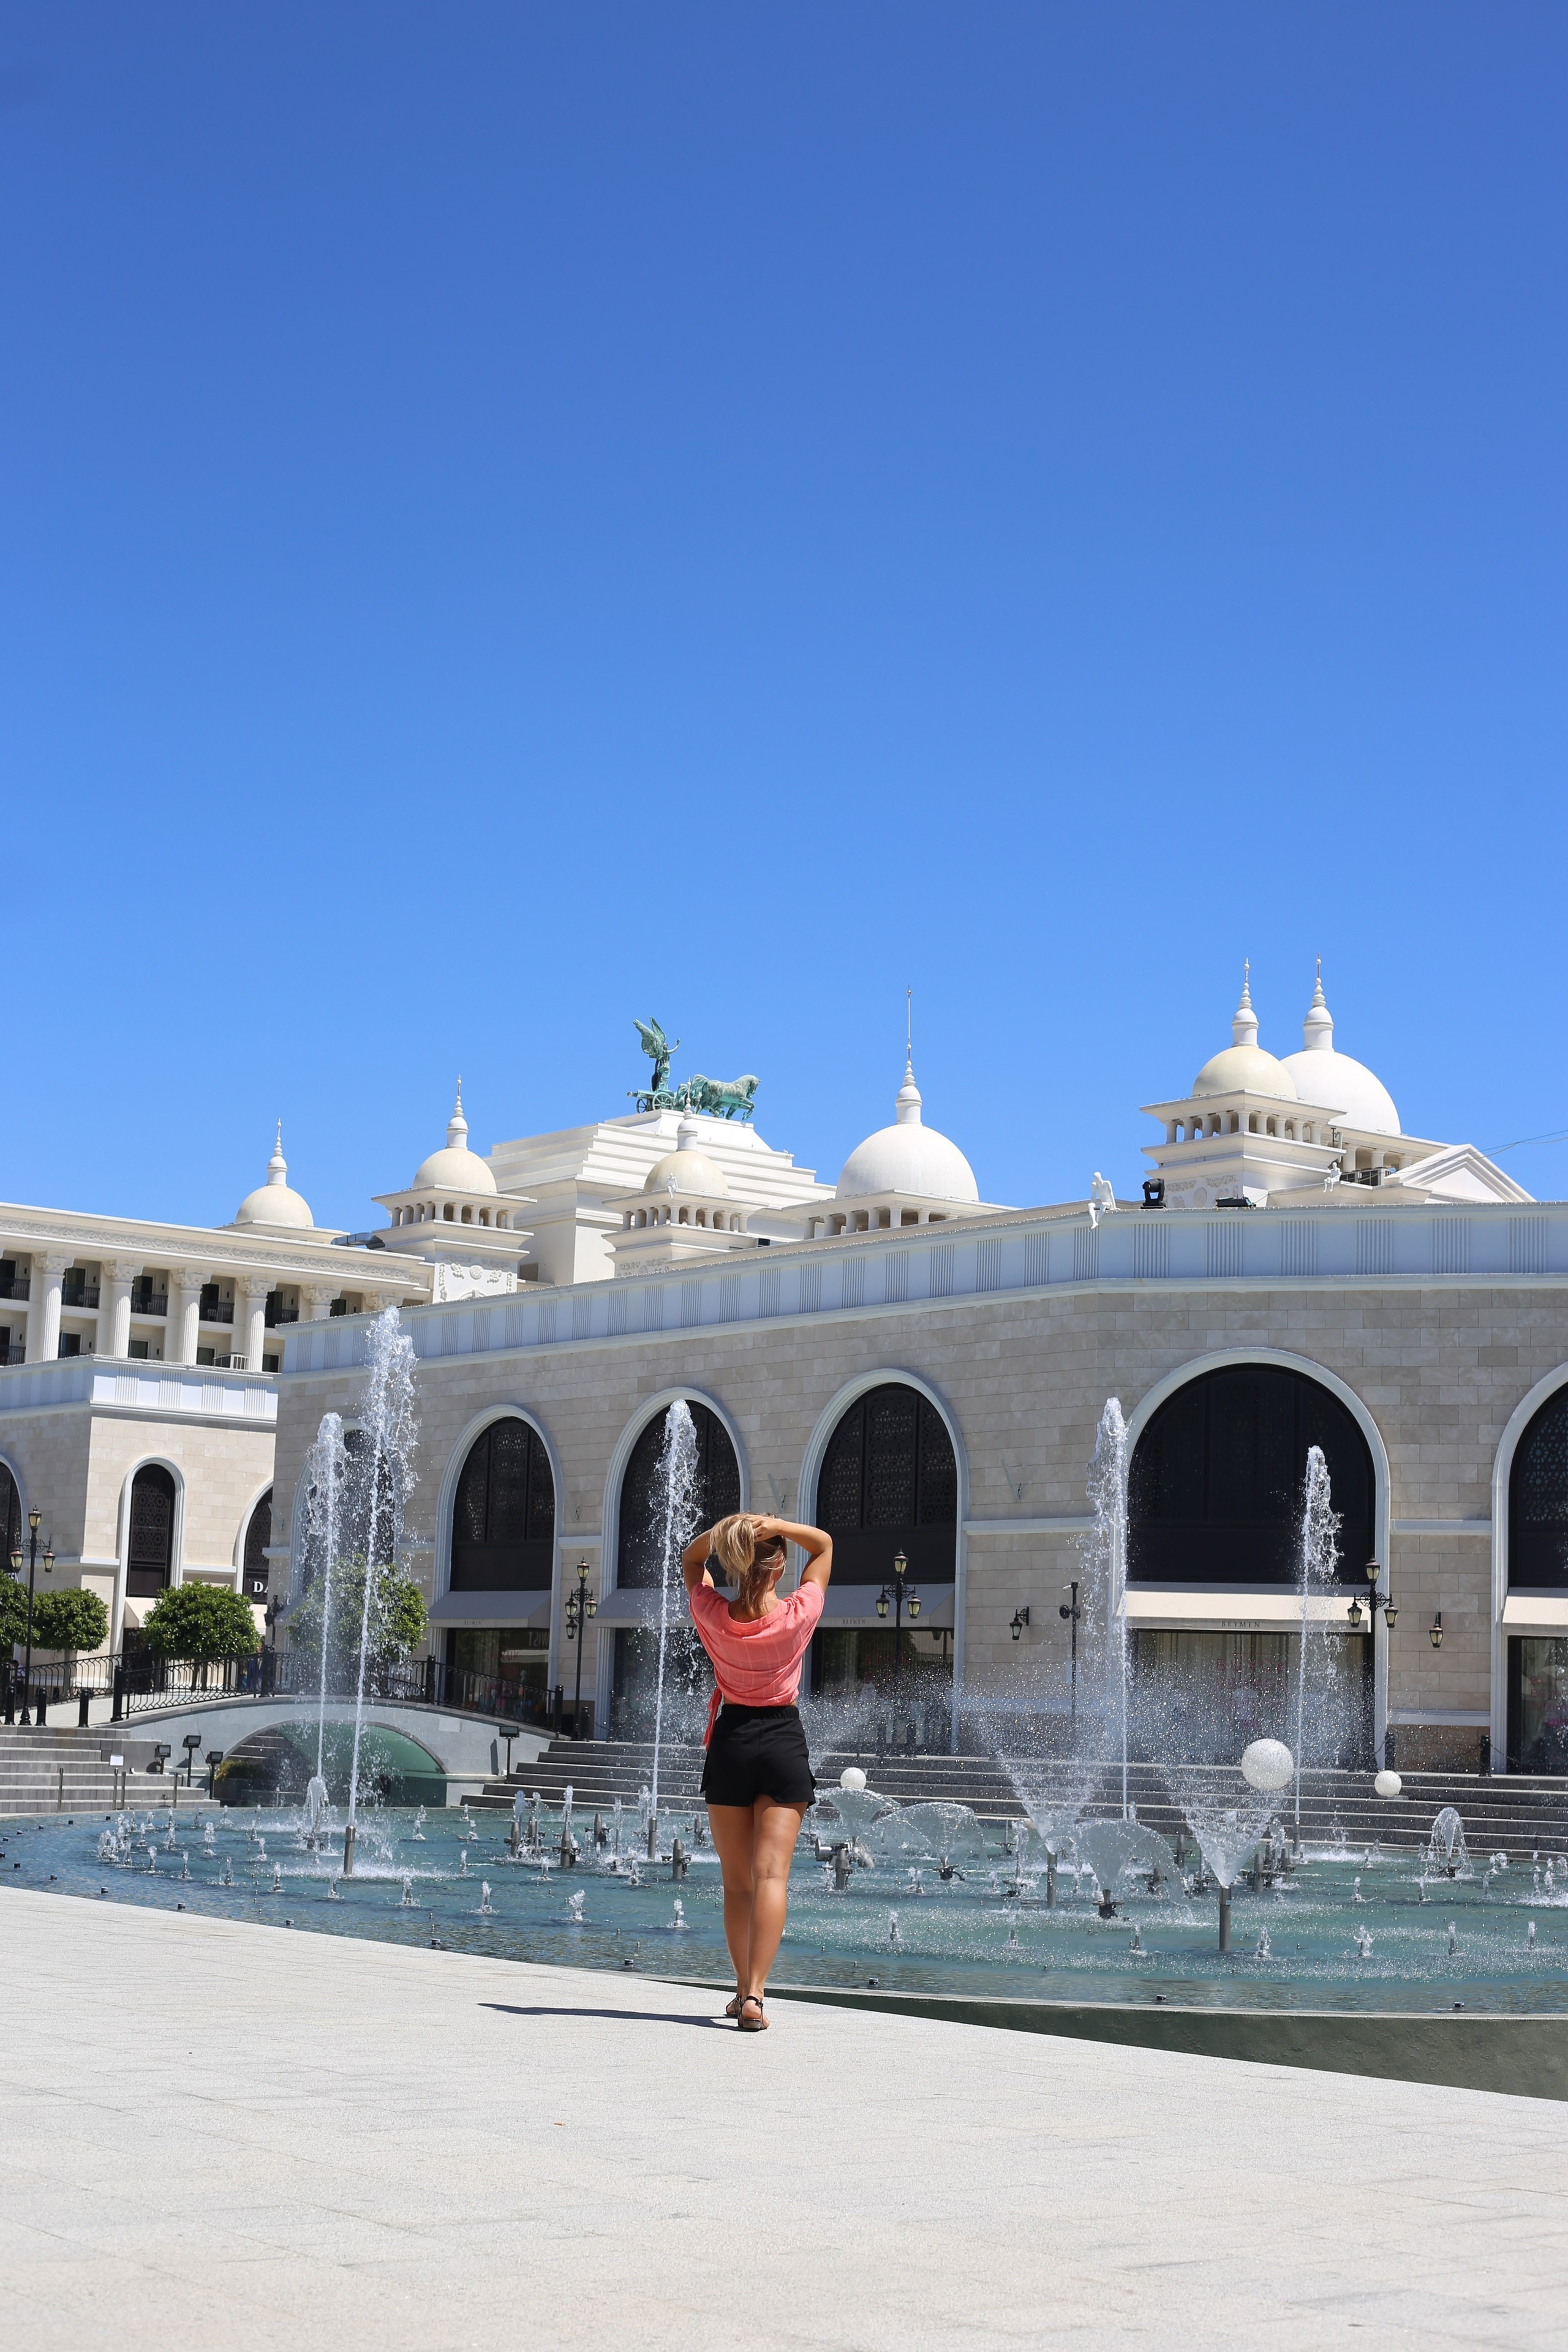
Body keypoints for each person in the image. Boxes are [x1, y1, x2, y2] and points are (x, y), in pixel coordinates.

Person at [682, 1510, 832, 2032]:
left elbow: (692, 1559)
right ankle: (755, 1998)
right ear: (777, 1570)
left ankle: (741, 1989)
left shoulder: (714, 1616)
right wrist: (777, 1525)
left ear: (740, 1565)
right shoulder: (797, 1614)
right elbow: (825, 1547)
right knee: (772, 1877)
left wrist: (730, 1530)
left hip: (731, 1743)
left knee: (737, 1883)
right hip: (783, 1743)